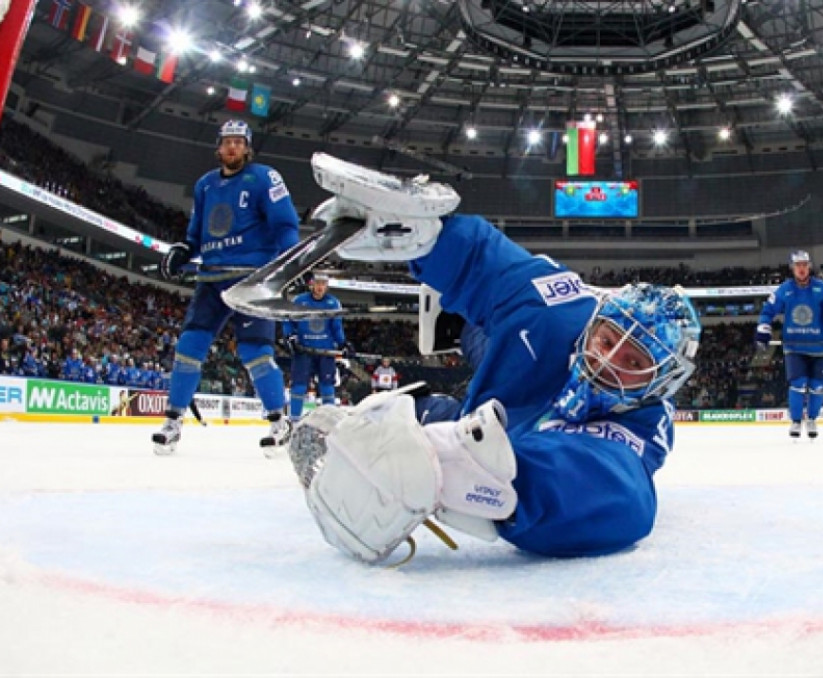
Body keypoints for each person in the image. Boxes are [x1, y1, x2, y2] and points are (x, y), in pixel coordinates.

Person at [281, 153, 702, 565]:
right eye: (608, 339)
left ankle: (414, 428)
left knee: (424, 418)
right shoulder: (561, 310)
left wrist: (476, 474)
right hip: (506, 357)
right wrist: (429, 237)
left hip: (494, 423)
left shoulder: (645, 424)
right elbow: (499, 266)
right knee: (481, 335)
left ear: (660, 383)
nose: (608, 359)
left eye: (632, 362)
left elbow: (615, 488)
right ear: (596, 322)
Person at [153, 119, 300, 456]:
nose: (232, 147)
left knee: (255, 353)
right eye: (226, 142)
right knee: (189, 347)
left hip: (252, 279)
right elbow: (194, 237)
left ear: (247, 148)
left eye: (238, 142)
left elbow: (285, 225)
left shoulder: (265, 177)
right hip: (211, 279)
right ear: (218, 147)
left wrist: (293, 263)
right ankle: (172, 423)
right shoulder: (205, 185)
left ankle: (280, 423)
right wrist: (182, 250)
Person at [754, 250, 823, 439]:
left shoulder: (822, 289)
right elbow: (768, 310)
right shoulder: (785, 289)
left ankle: (812, 419)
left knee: (818, 386)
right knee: (797, 384)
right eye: (798, 265)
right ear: (792, 268)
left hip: (821, 347)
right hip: (794, 346)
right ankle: (796, 421)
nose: (802, 269)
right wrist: (764, 327)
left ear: (809, 266)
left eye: (805, 264)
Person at [281, 273, 348, 423]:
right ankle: (294, 421)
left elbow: (337, 327)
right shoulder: (300, 301)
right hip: (303, 351)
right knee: (298, 387)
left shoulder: (333, 303)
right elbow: (288, 320)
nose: (320, 287)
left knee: (327, 388)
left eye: (323, 283)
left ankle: (329, 423)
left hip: (325, 352)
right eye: (317, 283)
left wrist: (343, 343)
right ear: (311, 284)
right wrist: (290, 336)